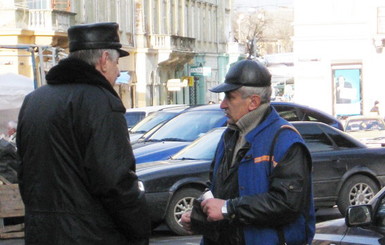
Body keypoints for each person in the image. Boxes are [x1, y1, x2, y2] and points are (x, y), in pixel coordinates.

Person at [16, 22, 151, 245]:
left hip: (41, 232)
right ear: (104, 60)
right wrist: (139, 230)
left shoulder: (34, 100)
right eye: (117, 63)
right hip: (91, 234)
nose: (119, 71)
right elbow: (114, 180)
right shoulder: (100, 101)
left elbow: (25, 172)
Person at [181, 59, 315, 245]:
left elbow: (287, 204)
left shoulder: (285, 140)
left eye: (230, 97)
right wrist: (198, 218)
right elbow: (218, 191)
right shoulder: (230, 135)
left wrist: (228, 208)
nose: (223, 105)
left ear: (253, 102)